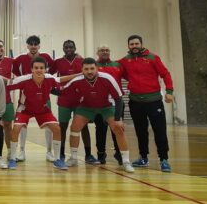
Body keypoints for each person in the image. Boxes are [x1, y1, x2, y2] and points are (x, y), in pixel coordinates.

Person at [63, 58, 135, 173]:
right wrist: (46, 86)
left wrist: (118, 119)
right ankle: (74, 158)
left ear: (96, 68)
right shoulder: (77, 80)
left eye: (92, 68)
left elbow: (118, 99)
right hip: (86, 107)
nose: (89, 71)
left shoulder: (107, 78)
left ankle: (126, 161)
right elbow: (62, 91)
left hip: (106, 106)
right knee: (74, 127)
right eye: (86, 69)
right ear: (82, 70)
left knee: (119, 129)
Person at [119, 35, 174, 172]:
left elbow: (165, 74)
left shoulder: (153, 58)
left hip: (154, 101)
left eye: (136, 43)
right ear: (128, 46)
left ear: (141, 44)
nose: (134, 46)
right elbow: (112, 69)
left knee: (160, 130)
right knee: (140, 131)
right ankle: (143, 158)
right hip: (135, 102)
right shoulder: (125, 61)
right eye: (131, 44)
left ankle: (164, 160)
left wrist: (169, 91)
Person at [6, 57, 69, 170]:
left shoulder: (50, 78)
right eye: (36, 68)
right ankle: (12, 158)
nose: (39, 70)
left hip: (42, 109)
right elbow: (7, 84)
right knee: (16, 128)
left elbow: (62, 80)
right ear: (31, 69)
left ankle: (57, 159)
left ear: (46, 69)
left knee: (56, 128)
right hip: (24, 109)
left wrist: (80, 74)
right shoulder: (23, 79)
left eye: (41, 68)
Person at [49, 40, 99, 164]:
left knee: (83, 127)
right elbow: (48, 77)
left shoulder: (81, 61)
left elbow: (89, 76)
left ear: (75, 48)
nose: (68, 49)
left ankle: (88, 155)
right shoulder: (58, 62)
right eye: (66, 47)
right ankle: (60, 154)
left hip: (80, 100)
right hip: (64, 100)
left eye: (71, 47)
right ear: (63, 48)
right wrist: (54, 90)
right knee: (63, 127)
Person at [13, 35, 55, 162]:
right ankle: (21, 151)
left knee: (49, 124)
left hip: (43, 97)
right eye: (30, 44)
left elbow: (54, 67)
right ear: (27, 46)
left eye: (35, 44)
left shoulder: (46, 57)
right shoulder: (20, 59)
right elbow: (14, 70)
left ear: (39, 46)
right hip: (25, 98)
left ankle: (49, 152)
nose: (33, 46)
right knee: (22, 124)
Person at [94, 45, 122, 165]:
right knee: (100, 129)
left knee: (116, 128)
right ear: (97, 52)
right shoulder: (93, 66)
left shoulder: (117, 65)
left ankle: (119, 153)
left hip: (116, 102)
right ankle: (101, 154)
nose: (104, 52)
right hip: (99, 103)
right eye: (102, 50)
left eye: (107, 50)